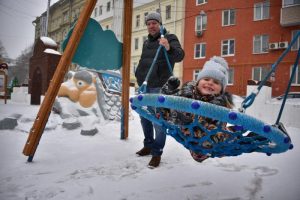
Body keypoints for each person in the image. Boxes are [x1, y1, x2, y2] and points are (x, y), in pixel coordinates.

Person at [135, 12, 185, 168]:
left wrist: (168, 47)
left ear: (160, 24)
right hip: (145, 85)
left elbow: (179, 56)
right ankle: (148, 144)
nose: (151, 26)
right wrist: (138, 76)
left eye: (154, 23)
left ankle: (157, 153)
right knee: (145, 117)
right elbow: (144, 62)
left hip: (160, 86)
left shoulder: (169, 38)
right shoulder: (146, 43)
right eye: (149, 23)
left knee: (158, 120)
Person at [160, 56, 234, 162]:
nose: (210, 83)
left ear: (221, 90)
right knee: (168, 110)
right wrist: (169, 89)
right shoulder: (185, 94)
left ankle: (238, 134)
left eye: (216, 82)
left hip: (207, 143)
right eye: (206, 79)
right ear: (198, 82)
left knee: (226, 138)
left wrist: (190, 118)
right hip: (185, 134)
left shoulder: (220, 107)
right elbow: (164, 106)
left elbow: (214, 132)